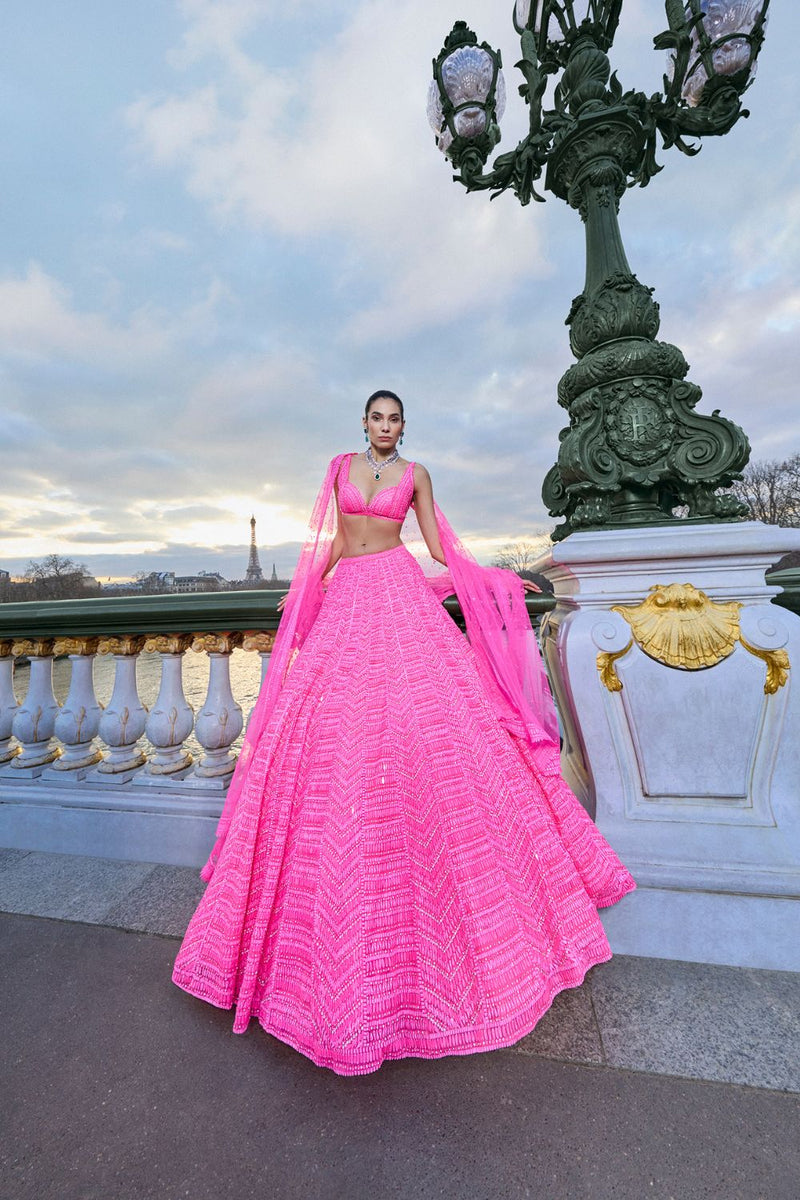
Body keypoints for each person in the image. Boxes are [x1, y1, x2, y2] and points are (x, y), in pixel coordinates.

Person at [173, 390, 635, 1076]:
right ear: (363, 424)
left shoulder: (416, 475)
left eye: (395, 420)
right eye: (377, 418)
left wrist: (488, 576)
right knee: (330, 733)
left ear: (401, 429)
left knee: (433, 728)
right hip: (350, 594)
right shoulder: (337, 468)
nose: (385, 428)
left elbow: (438, 542)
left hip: (398, 590)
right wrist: (310, 582)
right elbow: (334, 538)